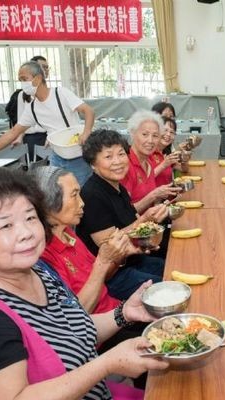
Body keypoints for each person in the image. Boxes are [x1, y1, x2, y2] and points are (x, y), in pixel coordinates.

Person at [0, 167, 168, 400]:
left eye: (30, 217)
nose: (26, 233)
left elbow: (73, 332)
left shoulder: (39, 271)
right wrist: (106, 364)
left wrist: (124, 313)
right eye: (6, 225)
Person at [32, 166, 147, 313]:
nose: (82, 203)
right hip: (100, 326)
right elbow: (77, 315)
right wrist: (103, 262)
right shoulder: (44, 257)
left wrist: (120, 254)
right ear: (48, 204)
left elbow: (101, 277)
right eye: (74, 195)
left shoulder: (67, 232)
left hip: (116, 309)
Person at [77, 129, 167, 299]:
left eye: (121, 154)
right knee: (168, 288)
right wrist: (145, 220)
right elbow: (110, 244)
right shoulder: (92, 195)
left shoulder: (117, 186)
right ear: (93, 164)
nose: (117, 162)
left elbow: (130, 219)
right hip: (111, 276)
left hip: (131, 260)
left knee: (173, 268)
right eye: (108, 157)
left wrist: (149, 227)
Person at [0, 61, 94, 186]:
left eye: (24, 79)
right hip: (56, 156)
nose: (22, 84)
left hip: (77, 154)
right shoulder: (32, 107)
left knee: (81, 193)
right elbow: (13, 132)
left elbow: (88, 111)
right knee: (57, 194)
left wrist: (86, 132)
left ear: (38, 79)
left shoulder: (60, 93)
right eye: (20, 80)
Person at [121, 110, 181, 213]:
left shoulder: (148, 162)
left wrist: (163, 203)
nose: (150, 141)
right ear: (133, 134)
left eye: (155, 136)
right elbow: (125, 213)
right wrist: (154, 195)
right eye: (145, 134)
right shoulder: (125, 165)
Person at [5, 56, 49, 161]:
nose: (45, 70)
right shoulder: (23, 95)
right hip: (32, 138)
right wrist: (20, 137)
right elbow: (22, 121)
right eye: (42, 67)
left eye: (47, 67)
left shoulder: (51, 93)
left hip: (50, 136)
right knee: (36, 170)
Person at [151, 116, 180, 186]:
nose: (168, 134)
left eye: (172, 132)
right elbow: (145, 180)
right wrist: (164, 164)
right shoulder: (147, 152)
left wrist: (185, 157)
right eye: (165, 130)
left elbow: (184, 169)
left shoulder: (165, 151)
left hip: (168, 195)